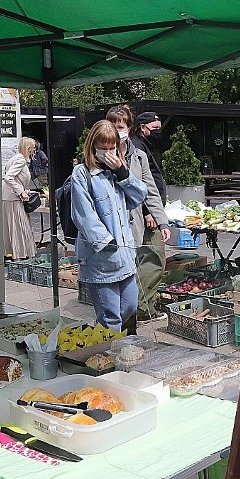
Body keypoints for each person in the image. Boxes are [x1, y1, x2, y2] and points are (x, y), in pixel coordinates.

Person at [71, 120, 147, 331]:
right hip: (101, 258)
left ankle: (97, 338)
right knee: (110, 317)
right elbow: (83, 214)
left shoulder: (118, 171)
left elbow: (139, 196)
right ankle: (107, 357)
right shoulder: (82, 173)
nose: (107, 153)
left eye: (111, 148)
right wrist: (105, 241)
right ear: (92, 146)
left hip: (125, 255)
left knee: (130, 306)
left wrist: (122, 173)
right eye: (102, 149)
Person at [108, 106, 171, 325]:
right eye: (114, 127)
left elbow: (151, 190)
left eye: (121, 127)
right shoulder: (100, 156)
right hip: (112, 230)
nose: (118, 132)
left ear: (130, 128)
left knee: (134, 274)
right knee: (121, 280)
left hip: (133, 226)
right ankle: (122, 324)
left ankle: (132, 322)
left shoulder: (139, 156)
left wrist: (162, 220)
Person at [2, 137, 41, 260]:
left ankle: (16, 255)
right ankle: (20, 256)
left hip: (10, 198)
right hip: (14, 199)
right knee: (20, 228)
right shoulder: (20, 160)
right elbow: (9, 178)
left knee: (14, 228)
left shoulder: (15, 158)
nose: (35, 150)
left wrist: (27, 191)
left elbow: (15, 180)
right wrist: (21, 192)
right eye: (33, 147)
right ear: (29, 148)